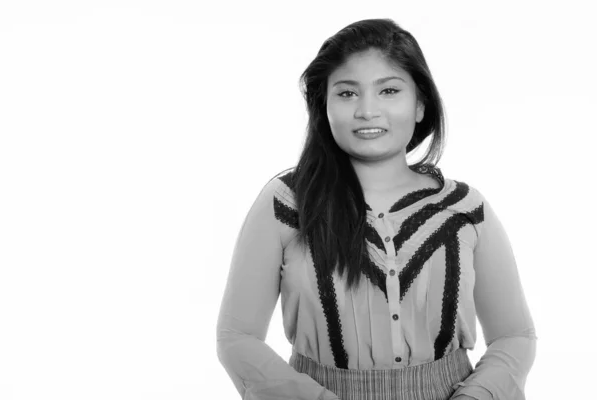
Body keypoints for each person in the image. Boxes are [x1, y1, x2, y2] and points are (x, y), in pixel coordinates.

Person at [216, 18, 537, 400]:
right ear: (324, 106)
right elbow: (236, 338)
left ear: (420, 105)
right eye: (348, 93)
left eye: (388, 90)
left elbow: (514, 335)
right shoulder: (287, 203)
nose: (368, 111)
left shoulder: (465, 209)